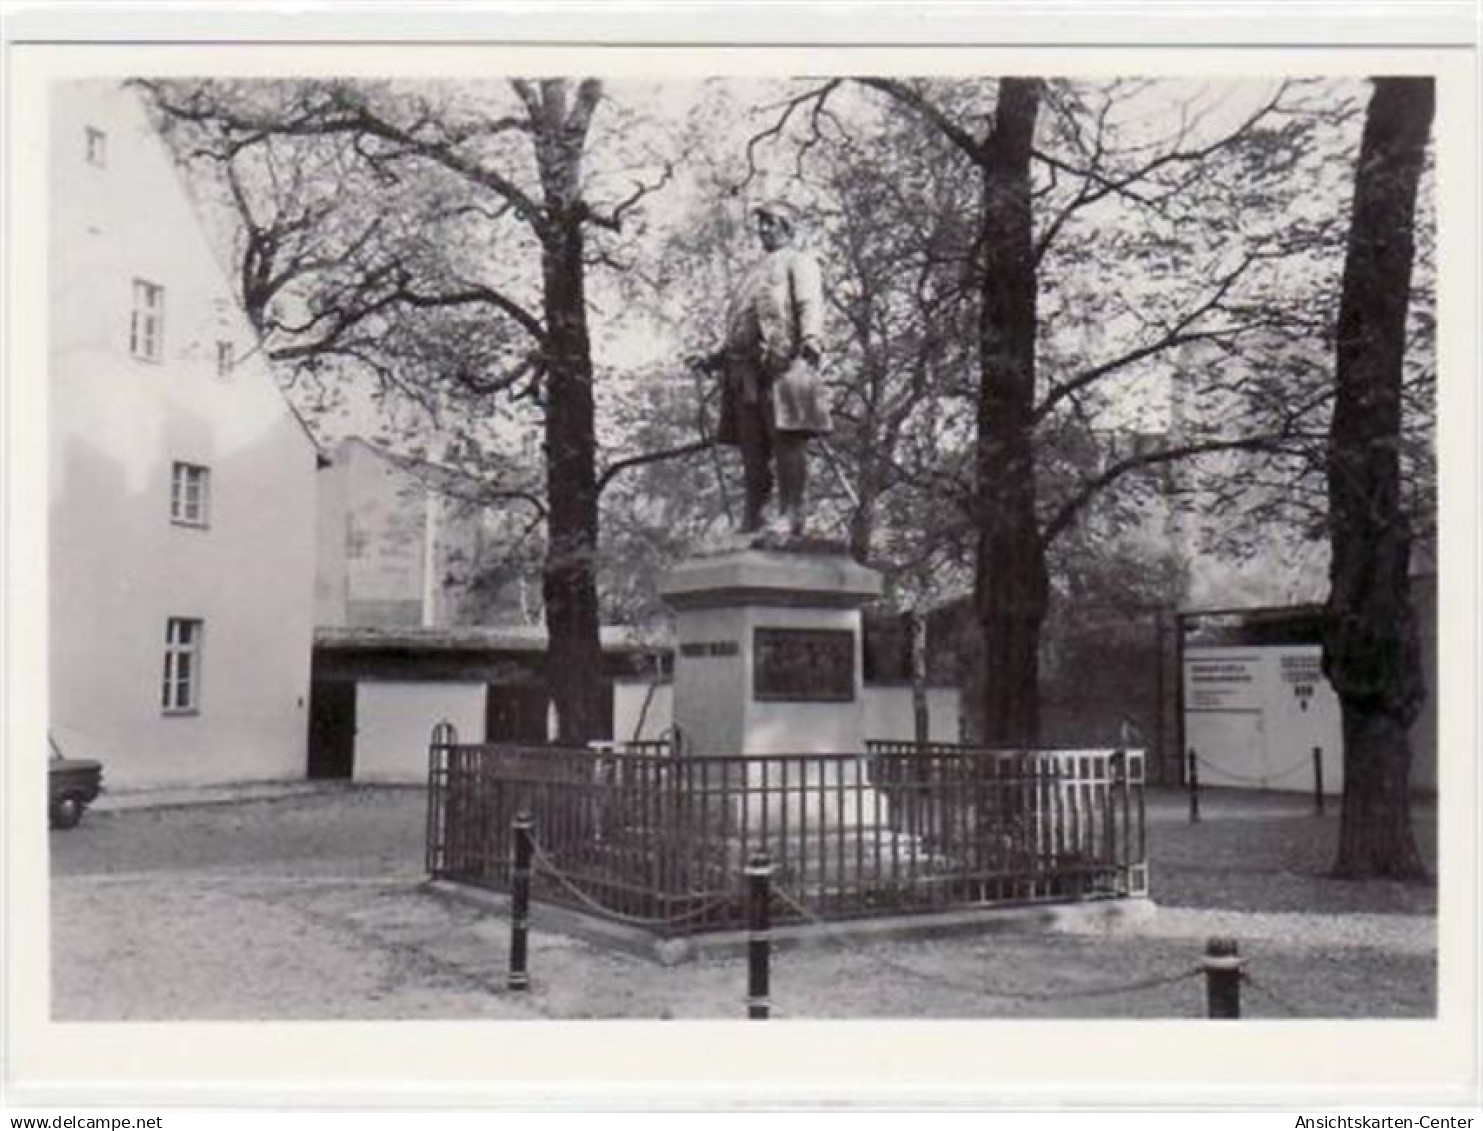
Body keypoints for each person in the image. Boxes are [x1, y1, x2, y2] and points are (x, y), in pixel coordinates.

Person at [694, 199, 832, 536]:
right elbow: (740, 323)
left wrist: (813, 337)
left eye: (770, 223)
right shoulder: (751, 274)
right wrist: (713, 357)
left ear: (787, 226)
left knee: (786, 440)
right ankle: (754, 513)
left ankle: (792, 513)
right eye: (761, 223)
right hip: (744, 371)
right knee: (751, 447)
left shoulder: (800, 262)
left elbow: (809, 302)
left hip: (783, 364)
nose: (763, 230)